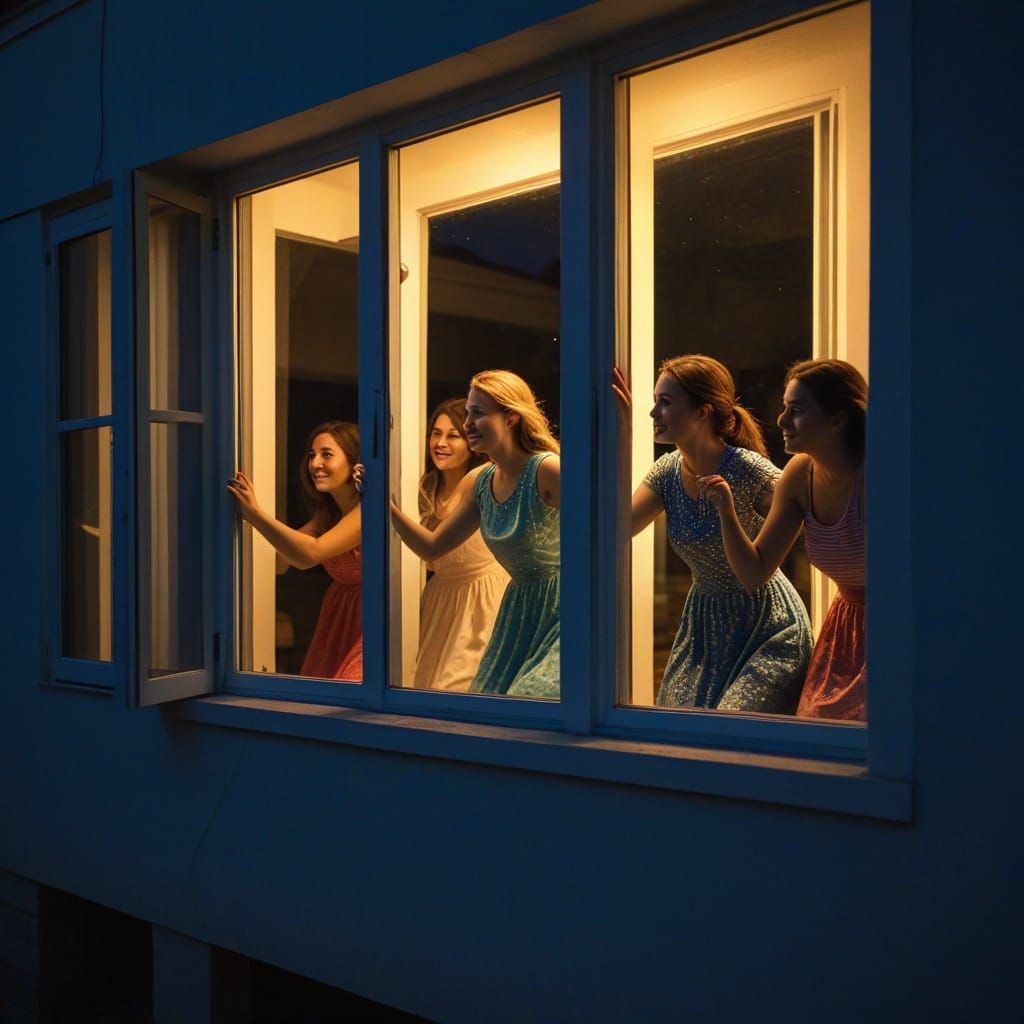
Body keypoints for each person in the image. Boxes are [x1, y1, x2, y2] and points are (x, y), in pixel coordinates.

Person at [613, 355, 811, 712]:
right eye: (655, 401)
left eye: (665, 402)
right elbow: (619, 528)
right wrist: (622, 435)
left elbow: (805, 505)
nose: (653, 413)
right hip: (705, 627)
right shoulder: (667, 471)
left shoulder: (747, 470)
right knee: (680, 729)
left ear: (702, 412)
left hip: (766, 627)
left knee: (731, 725)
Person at [699, 359, 867, 720]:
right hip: (844, 631)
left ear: (838, 419)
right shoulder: (799, 473)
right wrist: (727, 513)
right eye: (784, 408)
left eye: (797, 410)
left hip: (898, 623)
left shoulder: (876, 477)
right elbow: (754, 572)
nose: (782, 421)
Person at [391, 371, 560, 698]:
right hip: (519, 610)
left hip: (561, 608)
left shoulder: (546, 468)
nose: (468, 422)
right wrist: (387, 508)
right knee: (487, 704)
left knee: (529, 699)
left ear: (511, 417)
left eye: (478, 414)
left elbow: (599, 528)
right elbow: (433, 548)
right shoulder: (482, 483)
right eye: (468, 413)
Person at [227, 421, 363, 681]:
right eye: (312, 455)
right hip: (339, 616)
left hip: (369, 621)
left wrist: (255, 514)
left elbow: (311, 553)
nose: (315, 464)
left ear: (353, 460)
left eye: (327, 455)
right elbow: (286, 558)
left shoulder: (365, 512)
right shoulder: (328, 513)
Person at [411, 397, 509, 691]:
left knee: (461, 685)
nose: (440, 443)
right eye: (435, 433)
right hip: (440, 596)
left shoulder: (483, 479)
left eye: (453, 435)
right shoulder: (425, 486)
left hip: (481, 595)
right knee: (427, 683)